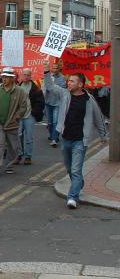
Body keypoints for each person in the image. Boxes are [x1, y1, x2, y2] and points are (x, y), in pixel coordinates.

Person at [43, 62, 107, 209]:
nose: (68, 83)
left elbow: (99, 118)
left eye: (72, 81)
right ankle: (79, 184)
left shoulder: (89, 100)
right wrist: (47, 72)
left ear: (80, 84)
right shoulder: (64, 94)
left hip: (80, 141)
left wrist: (103, 136)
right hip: (65, 139)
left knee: (76, 170)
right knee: (69, 168)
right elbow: (51, 87)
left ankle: (73, 197)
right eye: (68, 81)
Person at [0, 67, 29, 175]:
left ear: (12, 78)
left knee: (13, 146)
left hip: (12, 123)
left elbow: (24, 106)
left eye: (6, 77)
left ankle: (9, 166)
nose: (4, 79)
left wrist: (16, 117)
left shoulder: (20, 91)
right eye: (3, 77)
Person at [14, 68, 45, 165]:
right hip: (19, 115)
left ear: (30, 76)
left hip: (29, 115)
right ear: (22, 75)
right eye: (24, 75)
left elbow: (40, 102)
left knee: (29, 137)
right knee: (18, 135)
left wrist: (34, 112)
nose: (26, 77)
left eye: (28, 75)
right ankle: (19, 155)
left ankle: (28, 156)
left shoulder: (35, 88)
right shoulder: (17, 87)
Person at [43, 61, 67, 147]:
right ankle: (52, 135)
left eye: (56, 68)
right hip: (48, 101)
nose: (55, 69)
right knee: (50, 122)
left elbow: (63, 90)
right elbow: (44, 87)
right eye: (53, 68)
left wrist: (53, 85)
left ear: (59, 69)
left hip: (57, 103)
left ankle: (54, 139)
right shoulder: (48, 76)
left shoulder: (62, 78)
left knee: (55, 122)